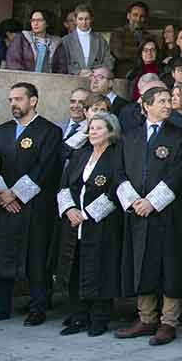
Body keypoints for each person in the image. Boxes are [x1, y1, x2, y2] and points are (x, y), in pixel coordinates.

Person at [115, 86, 182, 345]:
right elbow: (119, 172)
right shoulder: (129, 137)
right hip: (137, 214)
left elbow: (180, 174)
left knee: (169, 266)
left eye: (169, 100)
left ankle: (168, 321)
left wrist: (152, 202)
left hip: (168, 214)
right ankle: (146, 317)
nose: (167, 104)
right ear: (146, 105)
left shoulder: (181, 136)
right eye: (161, 101)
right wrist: (133, 202)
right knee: (141, 262)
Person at [0, 83, 62, 324]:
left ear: (33, 101)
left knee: (35, 255)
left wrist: (18, 194)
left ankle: (37, 307)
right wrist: (2, 193)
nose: (13, 104)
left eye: (18, 99)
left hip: (34, 206)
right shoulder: (1, 131)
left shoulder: (49, 131)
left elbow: (44, 168)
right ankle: (0, 307)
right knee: (2, 254)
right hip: (3, 205)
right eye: (10, 99)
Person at [54, 111, 125, 337]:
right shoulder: (81, 154)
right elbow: (65, 185)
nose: (93, 132)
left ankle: (99, 318)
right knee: (76, 267)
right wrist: (70, 209)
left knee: (100, 269)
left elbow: (116, 189)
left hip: (101, 223)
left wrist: (88, 213)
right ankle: (79, 315)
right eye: (91, 128)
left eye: (99, 128)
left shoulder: (116, 156)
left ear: (110, 132)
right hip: (75, 223)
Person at [5, 9, 68, 73]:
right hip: (25, 80)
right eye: (33, 20)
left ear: (47, 23)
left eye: (39, 20)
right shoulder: (21, 39)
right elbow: (13, 63)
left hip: (49, 81)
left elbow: (61, 68)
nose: (35, 23)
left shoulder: (56, 42)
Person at [60, 4, 115, 74]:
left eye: (87, 19)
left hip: (96, 79)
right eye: (80, 19)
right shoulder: (66, 40)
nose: (84, 22)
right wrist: (78, 71)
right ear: (75, 20)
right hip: (73, 80)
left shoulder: (101, 40)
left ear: (92, 19)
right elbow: (61, 64)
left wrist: (95, 71)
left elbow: (109, 61)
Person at [109, 1, 154, 78]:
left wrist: (128, 50)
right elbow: (119, 53)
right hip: (123, 78)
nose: (138, 19)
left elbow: (154, 55)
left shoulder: (150, 36)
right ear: (128, 16)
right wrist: (143, 51)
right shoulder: (118, 33)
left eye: (142, 16)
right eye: (135, 15)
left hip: (145, 76)